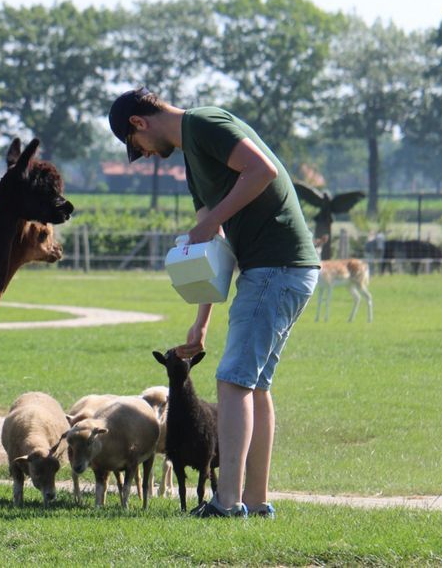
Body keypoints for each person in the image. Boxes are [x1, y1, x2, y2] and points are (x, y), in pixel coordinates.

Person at [108, 87, 319, 518]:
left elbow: (262, 172)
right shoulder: (193, 162)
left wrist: (215, 221)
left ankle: (226, 502)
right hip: (281, 270)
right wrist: (200, 321)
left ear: (138, 123)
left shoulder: (204, 123)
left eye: (137, 148)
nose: (144, 155)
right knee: (254, 384)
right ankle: (256, 502)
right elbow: (212, 239)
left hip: (276, 267)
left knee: (233, 381)